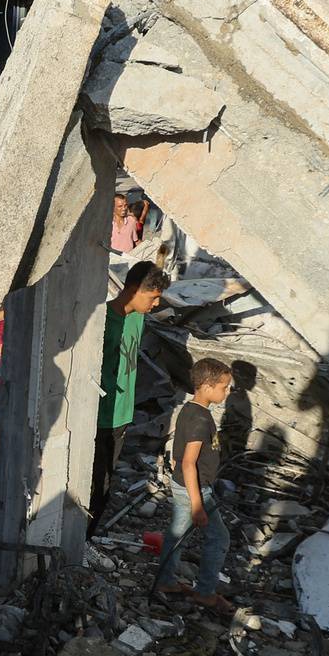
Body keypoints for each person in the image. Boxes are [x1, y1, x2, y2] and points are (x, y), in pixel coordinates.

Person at [89, 261, 171, 534]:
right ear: (134, 290)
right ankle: (78, 542)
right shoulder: (101, 322)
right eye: (153, 297)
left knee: (106, 485)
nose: (156, 304)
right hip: (98, 418)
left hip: (121, 416)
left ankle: (85, 540)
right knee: (93, 485)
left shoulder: (137, 317)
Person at [151, 356, 236, 611]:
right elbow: (189, 463)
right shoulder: (200, 420)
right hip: (195, 490)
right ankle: (206, 592)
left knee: (177, 534)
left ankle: (165, 581)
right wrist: (198, 504)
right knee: (220, 538)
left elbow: (179, 454)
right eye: (224, 386)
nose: (227, 391)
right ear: (207, 386)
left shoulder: (190, 410)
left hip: (182, 486)